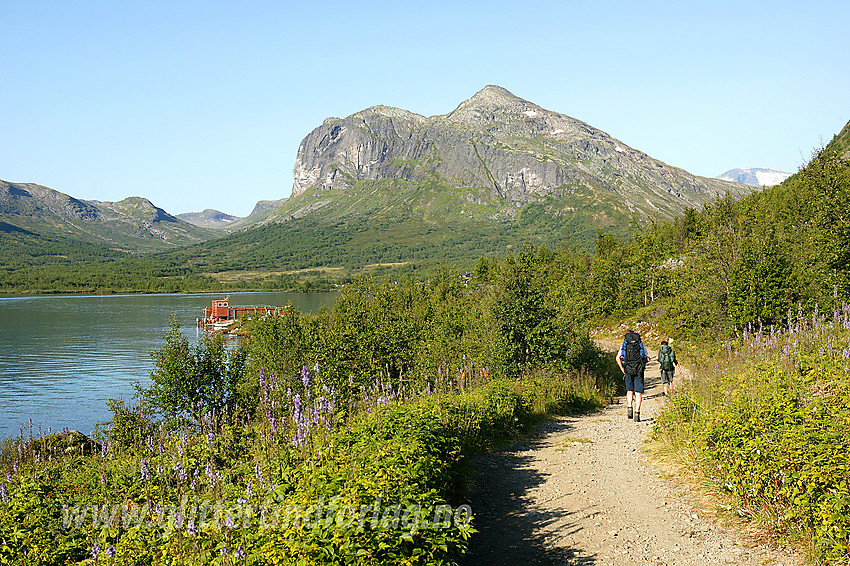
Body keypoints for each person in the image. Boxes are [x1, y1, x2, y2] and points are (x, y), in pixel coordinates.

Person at [617, 330, 648, 422]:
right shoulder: (640, 344)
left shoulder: (625, 345)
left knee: (629, 390)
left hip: (628, 370)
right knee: (638, 393)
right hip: (639, 371)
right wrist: (642, 365)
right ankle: (637, 413)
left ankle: (629, 407)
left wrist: (622, 369)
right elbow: (647, 358)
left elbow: (617, 358)